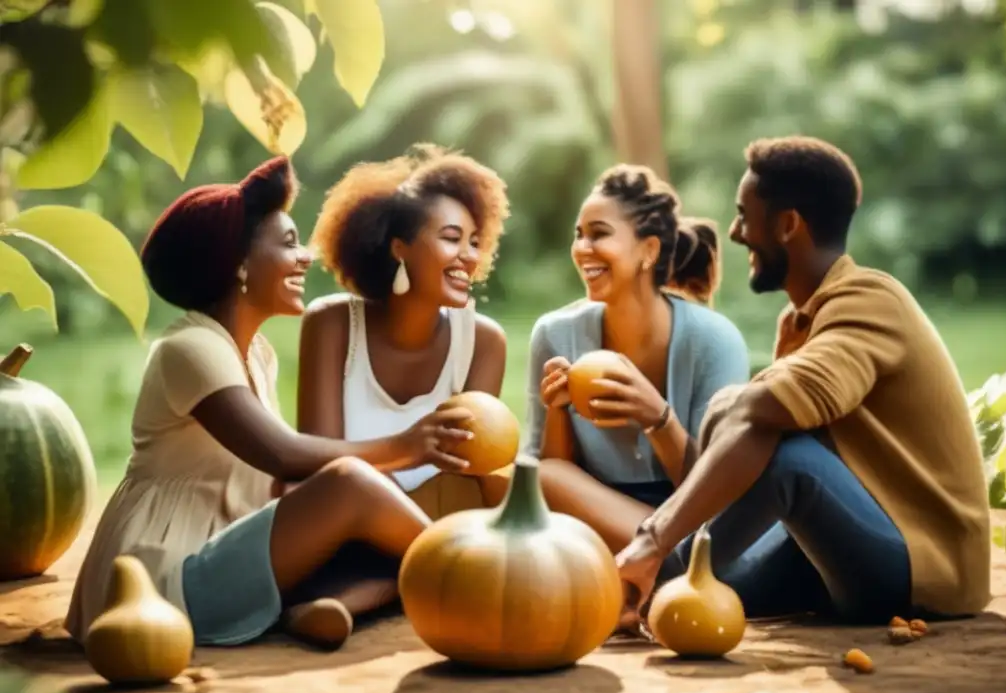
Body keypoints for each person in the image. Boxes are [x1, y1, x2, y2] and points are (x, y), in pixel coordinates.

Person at [616, 136, 991, 630]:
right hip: (839, 541)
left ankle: (649, 562)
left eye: (744, 216)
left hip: (924, 569)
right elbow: (752, 420)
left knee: (784, 456)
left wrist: (655, 536)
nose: (733, 232)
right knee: (693, 588)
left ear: (788, 224)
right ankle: (641, 585)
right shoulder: (800, 321)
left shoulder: (870, 300)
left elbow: (769, 416)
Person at [65, 157, 435, 652]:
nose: (305, 257)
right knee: (352, 485)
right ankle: (476, 564)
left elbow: (277, 481)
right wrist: (405, 446)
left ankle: (327, 605)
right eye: (287, 244)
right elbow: (280, 454)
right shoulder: (190, 348)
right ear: (239, 264)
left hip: (224, 556)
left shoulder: (254, 354)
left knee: (378, 537)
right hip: (165, 581)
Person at [524, 164, 751, 554]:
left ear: (649, 250)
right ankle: (659, 570)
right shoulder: (554, 335)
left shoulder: (715, 341)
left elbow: (720, 489)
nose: (582, 249)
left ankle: (658, 565)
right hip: (597, 519)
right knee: (545, 476)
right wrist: (558, 410)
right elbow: (554, 479)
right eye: (579, 235)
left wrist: (657, 418)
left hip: (692, 522)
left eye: (599, 234)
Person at [297, 144, 512, 520]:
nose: (469, 255)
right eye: (451, 237)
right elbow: (316, 470)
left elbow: (470, 475)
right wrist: (405, 447)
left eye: (475, 242)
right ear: (400, 248)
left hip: (442, 535)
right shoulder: (331, 325)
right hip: (343, 532)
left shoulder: (483, 342)